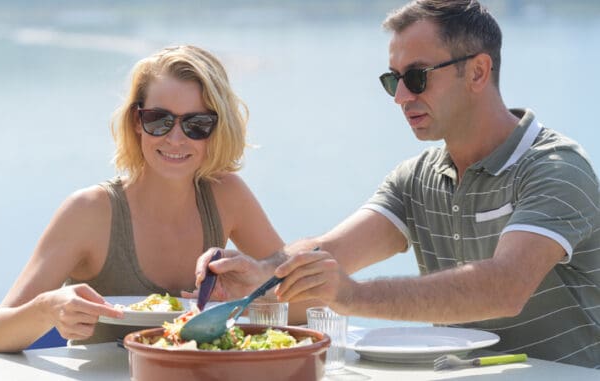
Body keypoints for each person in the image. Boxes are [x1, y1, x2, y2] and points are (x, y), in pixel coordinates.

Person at [193, 0, 600, 368]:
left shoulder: (554, 167)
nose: (400, 96)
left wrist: (350, 295)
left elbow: (505, 288)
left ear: (477, 71)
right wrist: (257, 276)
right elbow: (331, 252)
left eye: (417, 77)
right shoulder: (416, 178)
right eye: (393, 80)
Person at [0, 45, 284, 353]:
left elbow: (300, 300)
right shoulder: (89, 212)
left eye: (196, 124)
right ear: (136, 121)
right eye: (158, 119)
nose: (175, 138)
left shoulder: (226, 195)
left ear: (216, 129)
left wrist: (259, 286)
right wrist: (47, 308)